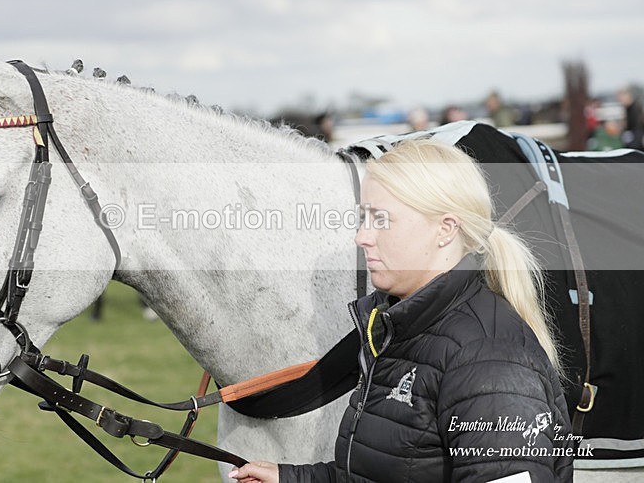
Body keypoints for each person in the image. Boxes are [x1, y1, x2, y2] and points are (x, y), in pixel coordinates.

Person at [230, 139, 573, 482]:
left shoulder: (488, 359)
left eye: (381, 220)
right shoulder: (398, 330)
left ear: (445, 229)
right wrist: (291, 479)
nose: (362, 237)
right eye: (363, 218)